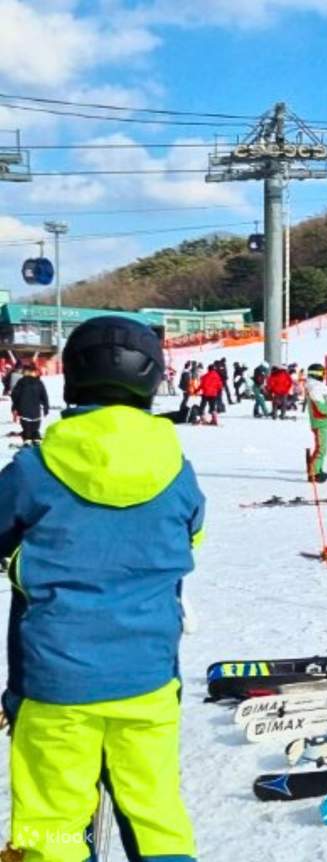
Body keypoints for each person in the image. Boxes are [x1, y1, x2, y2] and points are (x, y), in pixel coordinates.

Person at [0, 315, 202, 862]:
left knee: (55, 824)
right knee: (155, 815)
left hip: (55, 679)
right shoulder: (177, 470)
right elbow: (191, 537)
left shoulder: (34, 468)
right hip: (149, 677)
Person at [305, 363, 327, 482]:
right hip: (320, 422)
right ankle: (314, 473)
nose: (324, 375)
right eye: (323, 373)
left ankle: (318, 469)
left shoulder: (315, 387)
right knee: (321, 448)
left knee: (322, 447)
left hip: (321, 422)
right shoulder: (315, 389)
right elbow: (321, 407)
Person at [9, 364, 49, 445]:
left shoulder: (21, 382)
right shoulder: (39, 382)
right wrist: (46, 407)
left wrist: (14, 407)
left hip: (24, 411)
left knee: (27, 430)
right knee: (35, 429)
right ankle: (36, 440)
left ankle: (27, 440)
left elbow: (15, 395)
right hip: (36, 413)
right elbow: (44, 396)